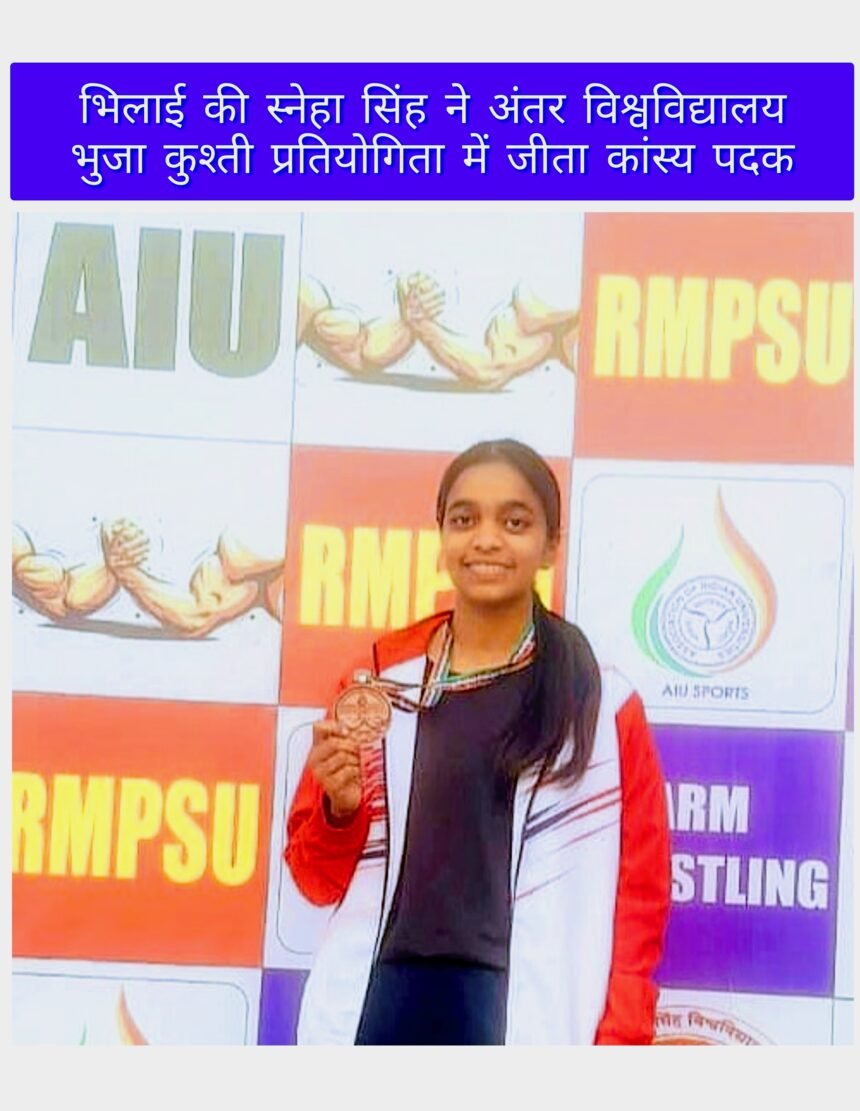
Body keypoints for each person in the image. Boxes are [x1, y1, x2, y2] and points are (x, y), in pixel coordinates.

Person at [284, 439, 671, 1046]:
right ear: (441, 537)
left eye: (514, 523)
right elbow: (315, 881)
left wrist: (620, 1037)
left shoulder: (602, 705)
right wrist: (339, 811)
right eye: (464, 520)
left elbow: (640, 899)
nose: (486, 539)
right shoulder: (380, 685)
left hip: (528, 1014)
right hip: (378, 1004)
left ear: (551, 544)